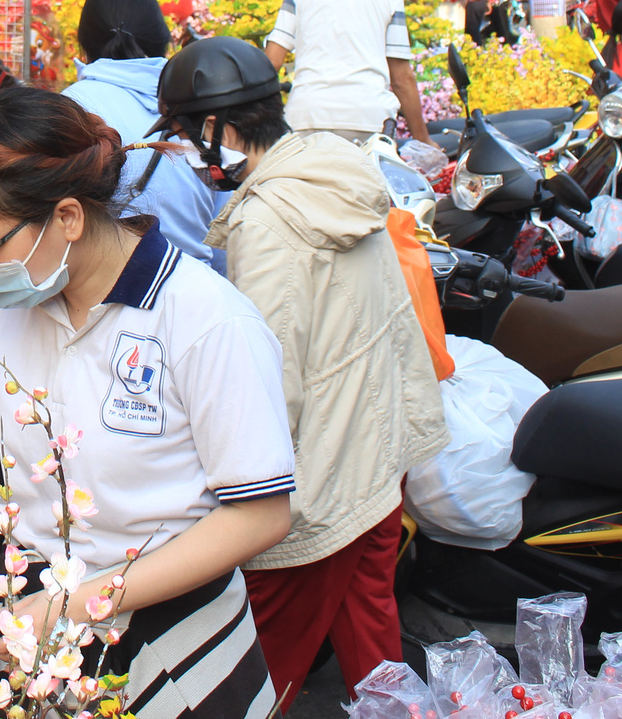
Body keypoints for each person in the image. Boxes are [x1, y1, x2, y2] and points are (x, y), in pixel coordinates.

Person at [0, 87, 295, 719]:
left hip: (172, 628)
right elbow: (5, 450)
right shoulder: (16, 312)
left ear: (69, 218)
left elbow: (260, 515)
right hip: (46, 626)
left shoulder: (204, 321)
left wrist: (81, 603)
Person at [156, 38, 446, 711]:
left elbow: (269, 381)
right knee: (370, 636)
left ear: (213, 131)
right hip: (378, 449)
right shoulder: (331, 170)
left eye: (182, 137)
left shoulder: (268, 221)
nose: (186, 158)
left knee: (260, 667)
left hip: (322, 475)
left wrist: (233, 487)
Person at [63, 0, 225, 268]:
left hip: (107, 295)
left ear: (83, 45)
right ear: (163, 40)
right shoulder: (205, 104)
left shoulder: (71, 107)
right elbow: (226, 228)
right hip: (198, 288)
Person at [265, 0, 433, 146]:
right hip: (369, 122)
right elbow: (401, 79)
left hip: (306, 118)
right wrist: (423, 139)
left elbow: (272, 61)